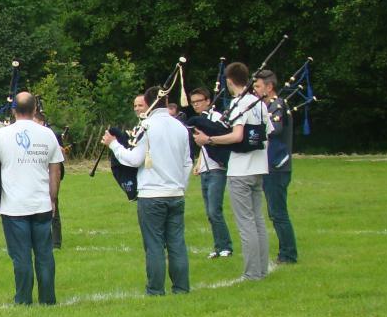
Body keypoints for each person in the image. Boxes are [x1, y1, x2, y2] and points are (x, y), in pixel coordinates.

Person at [102, 87, 192, 296]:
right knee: (177, 243)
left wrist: (114, 145)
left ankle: (155, 289)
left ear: (148, 103)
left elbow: (134, 160)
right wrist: (181, 185)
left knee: (154, 245)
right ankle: (181, 287)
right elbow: (187, 162)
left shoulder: (147, 126)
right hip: (176, 192)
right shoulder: (180, 127)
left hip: (151, 194)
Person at [0, 92, 63, 305]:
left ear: (13, 110)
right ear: (35, 109)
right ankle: (48, 299)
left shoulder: (2, 134)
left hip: (14, 206)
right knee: (44, 255)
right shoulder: (47, 134)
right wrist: (53, 199)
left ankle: (24, 299)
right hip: (42, 204)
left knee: (21, 256)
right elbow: (55, 171)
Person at [193, 62, 274, 281]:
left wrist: (209, 139)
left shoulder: (240, 104)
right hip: (259, 167)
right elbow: (267, 133)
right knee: (257, 220)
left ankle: (251, 273)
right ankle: (262, 269)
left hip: (241, 170)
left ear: (229, 81)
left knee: (246, 223)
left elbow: (237, 136)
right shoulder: (259, 103)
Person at [254, 69, 298, 264]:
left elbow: (275, 129)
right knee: (275, 212)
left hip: (277, 166)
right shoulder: (269, 106)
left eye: (257, 86)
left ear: (269, 87)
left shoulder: (276, 105)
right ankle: (285, 252)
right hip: (271, 166)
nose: (254, 90)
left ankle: (288, 254)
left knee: (278, 213)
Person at [189, 87, 234, 259]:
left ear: (208, 101)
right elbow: (204, 146)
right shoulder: (201, 120)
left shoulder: (215, 118)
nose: (196, 105)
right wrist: (199, 163)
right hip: (206, 169)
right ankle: (219, 246)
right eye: (193, 102)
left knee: (215, 210)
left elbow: (217, 139)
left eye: (199, 101)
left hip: (217, 168)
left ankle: (226, 246)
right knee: (209, 212)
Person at [34, 108, 66, 249]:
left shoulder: (52, 134)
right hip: (37, 175)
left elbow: (61, 156)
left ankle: (56, 241)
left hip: (50, 174)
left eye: (35, 121)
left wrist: (61, 150)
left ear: (42, 122)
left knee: (53, 206)